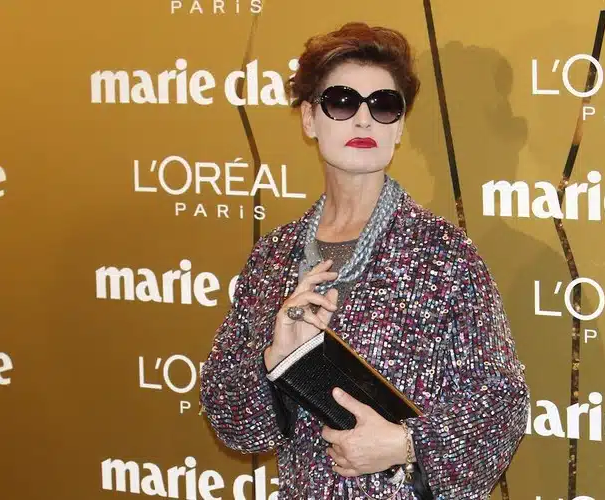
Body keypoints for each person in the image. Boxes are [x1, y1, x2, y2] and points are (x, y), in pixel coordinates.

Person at [199, 21, 529, 500]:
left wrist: (405, 444)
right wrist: (274, 358)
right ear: (309, 118)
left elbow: (501, 402)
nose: (363, 120)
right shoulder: (274, 256)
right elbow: (234, 423)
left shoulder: (443, 254)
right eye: (342, 101)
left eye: (383, 105)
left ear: (399, 128)